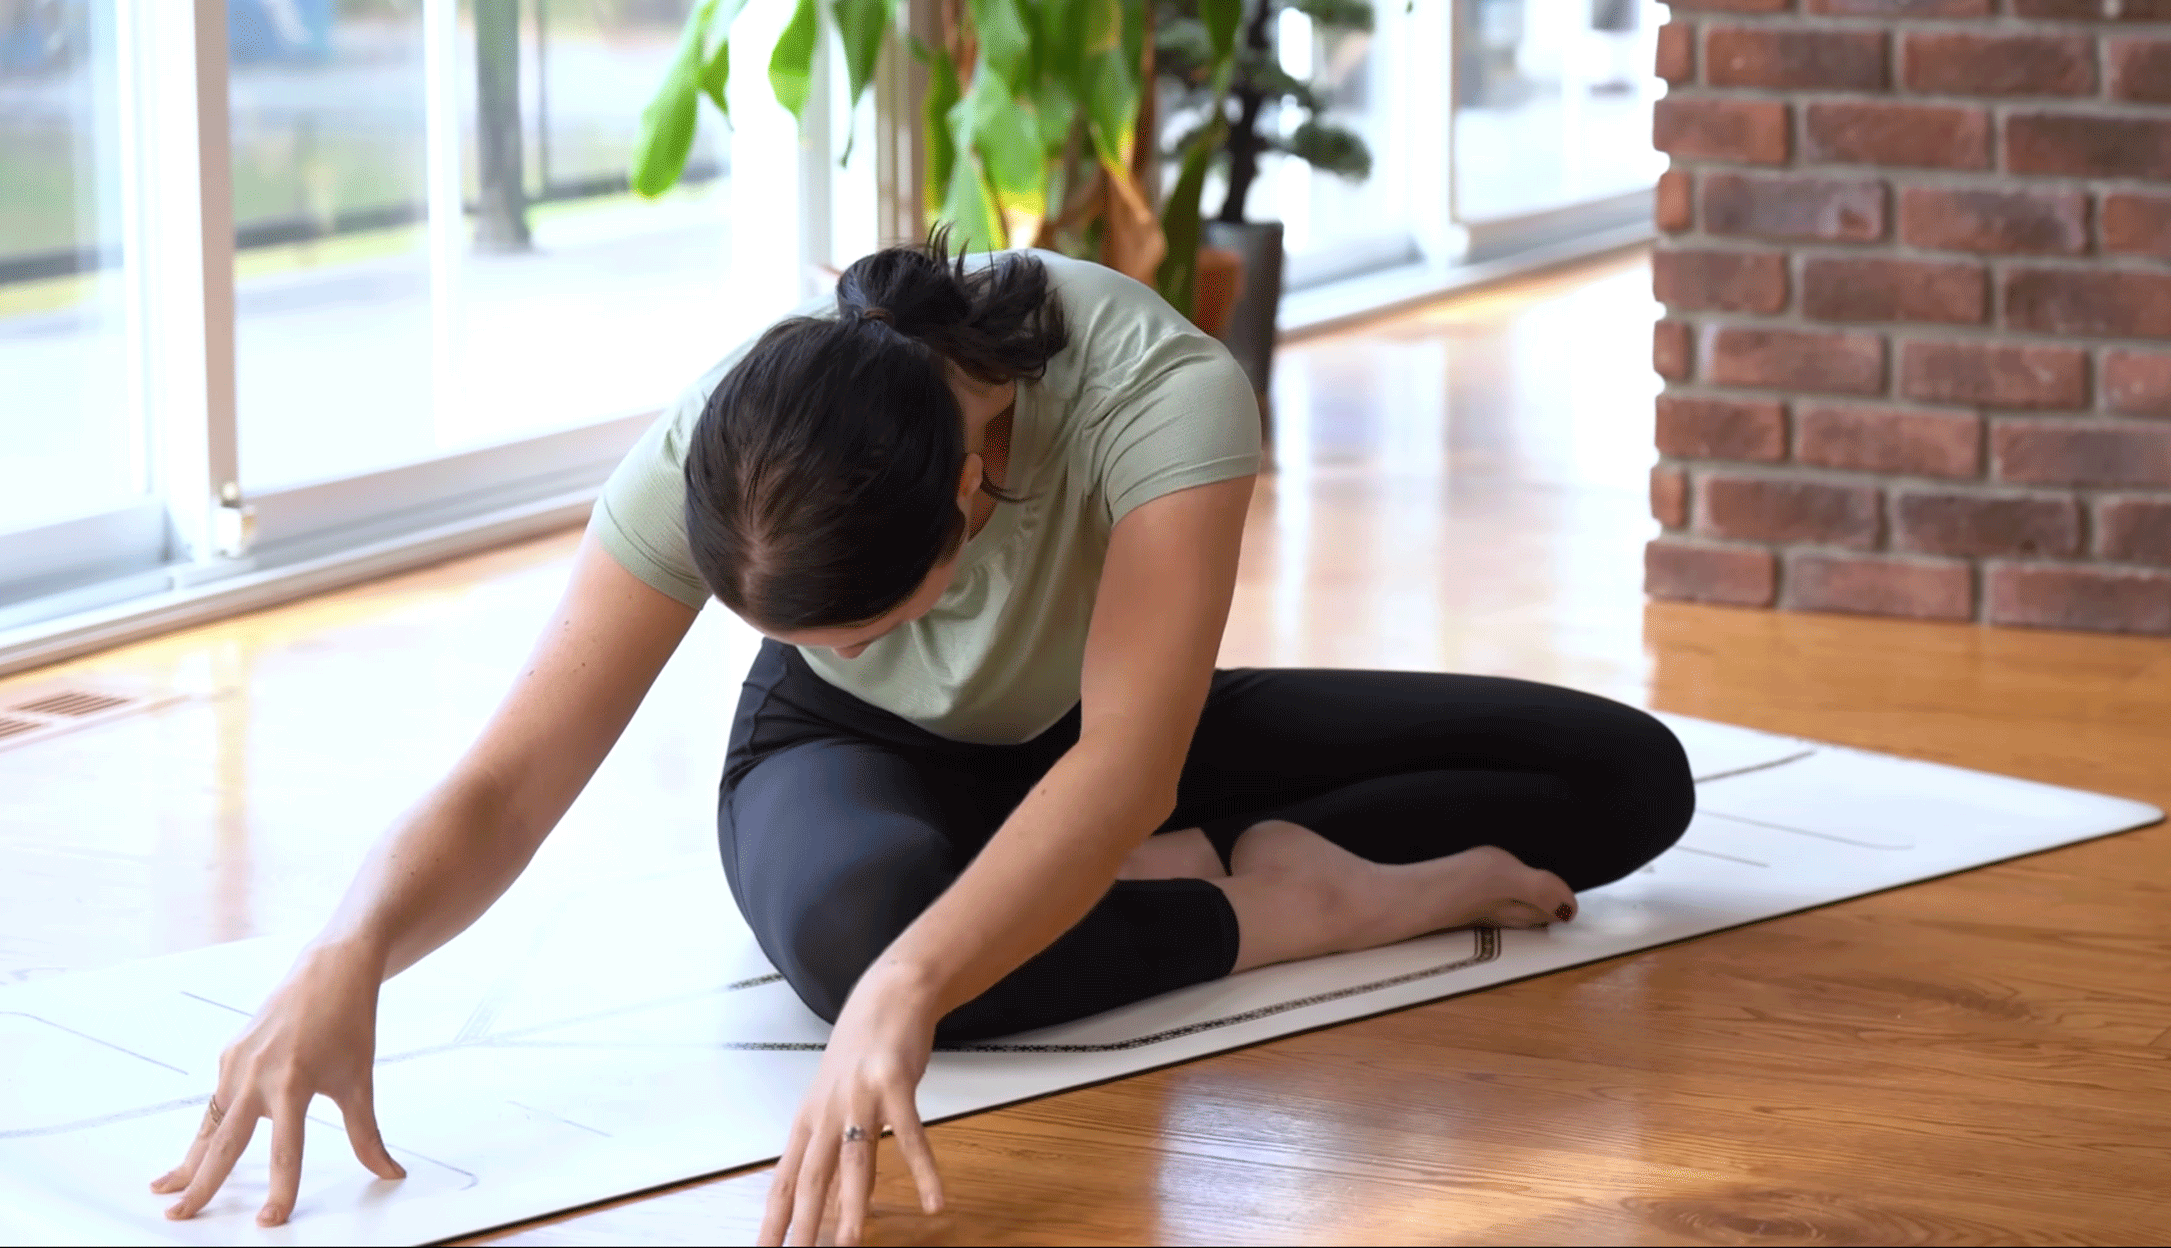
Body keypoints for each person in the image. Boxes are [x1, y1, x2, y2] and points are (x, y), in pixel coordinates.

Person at [150, 236, 1694, 1246]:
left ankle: (1138, 885)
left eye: (865, 617)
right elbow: (510, 775)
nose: (833, 638)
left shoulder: (1161, 399)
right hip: (850, 762)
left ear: (970, 500)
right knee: (862, 934)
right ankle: (1278, 906)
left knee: (1625, 784)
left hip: (1108, 728)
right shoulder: (742, 438)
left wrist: (918, 988)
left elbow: (1124, 765)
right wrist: (347, 949)